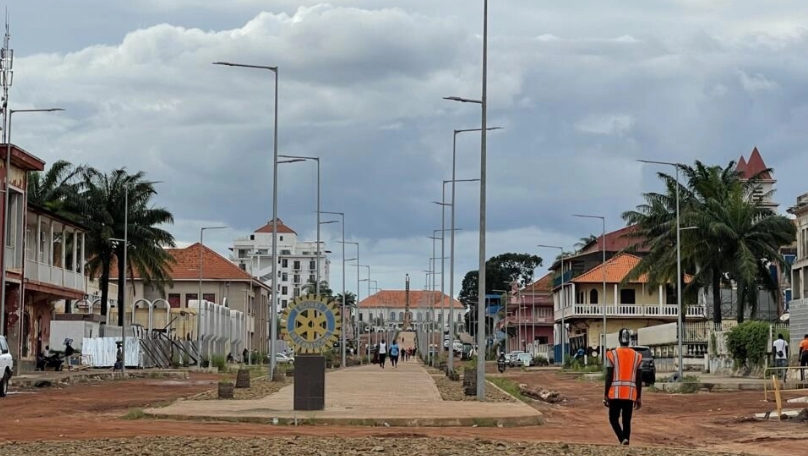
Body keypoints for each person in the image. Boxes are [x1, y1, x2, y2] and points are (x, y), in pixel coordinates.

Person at [604, 328, 643, 446]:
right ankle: (626, 441)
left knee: (613, 419)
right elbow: (639, 378)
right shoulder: (637, 356)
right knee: (627, 421)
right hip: (630, 394)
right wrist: (639, 397)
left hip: (615, 394)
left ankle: (622, 439)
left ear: (619, 339)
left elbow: (609, 376)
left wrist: (605, 394)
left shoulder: (612, 354)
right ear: (630, 340)